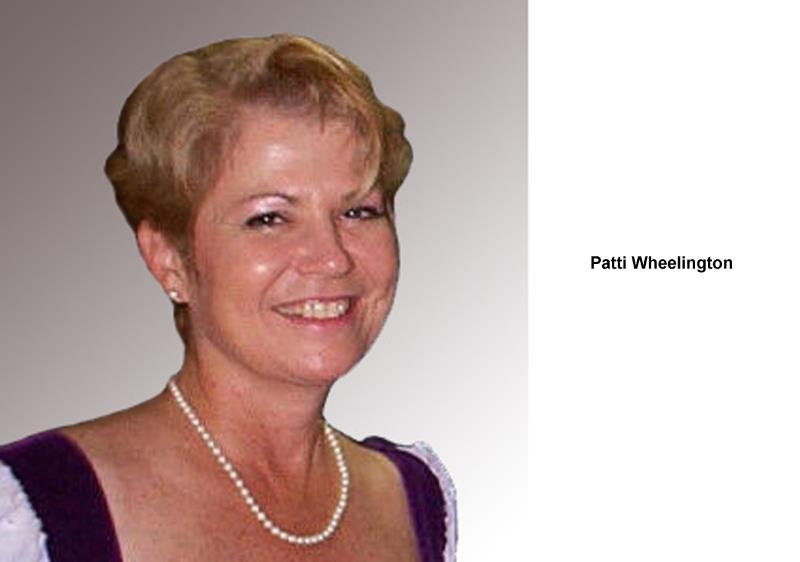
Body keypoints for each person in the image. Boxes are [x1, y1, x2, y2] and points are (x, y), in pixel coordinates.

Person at [0, 34, 456, 562]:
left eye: (359, 211)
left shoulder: (415, 498)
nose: (331, 257)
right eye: (269, 218)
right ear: (168, 258)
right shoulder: (38, 509)